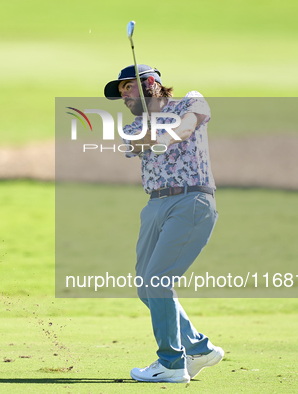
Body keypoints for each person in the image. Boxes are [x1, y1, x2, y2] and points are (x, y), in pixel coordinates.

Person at [103, 64, 224, 383]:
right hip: (154, 206)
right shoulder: (132, 127)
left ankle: (171, 363)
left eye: (128, 88)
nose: (124, 96)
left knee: (157, 280)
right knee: (146, 285)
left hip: (192, 201)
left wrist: (163, 131)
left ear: (151, 84)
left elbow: (185, 130)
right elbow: (139, 144)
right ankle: (199, 349)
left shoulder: (192, 102)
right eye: (121, 92)